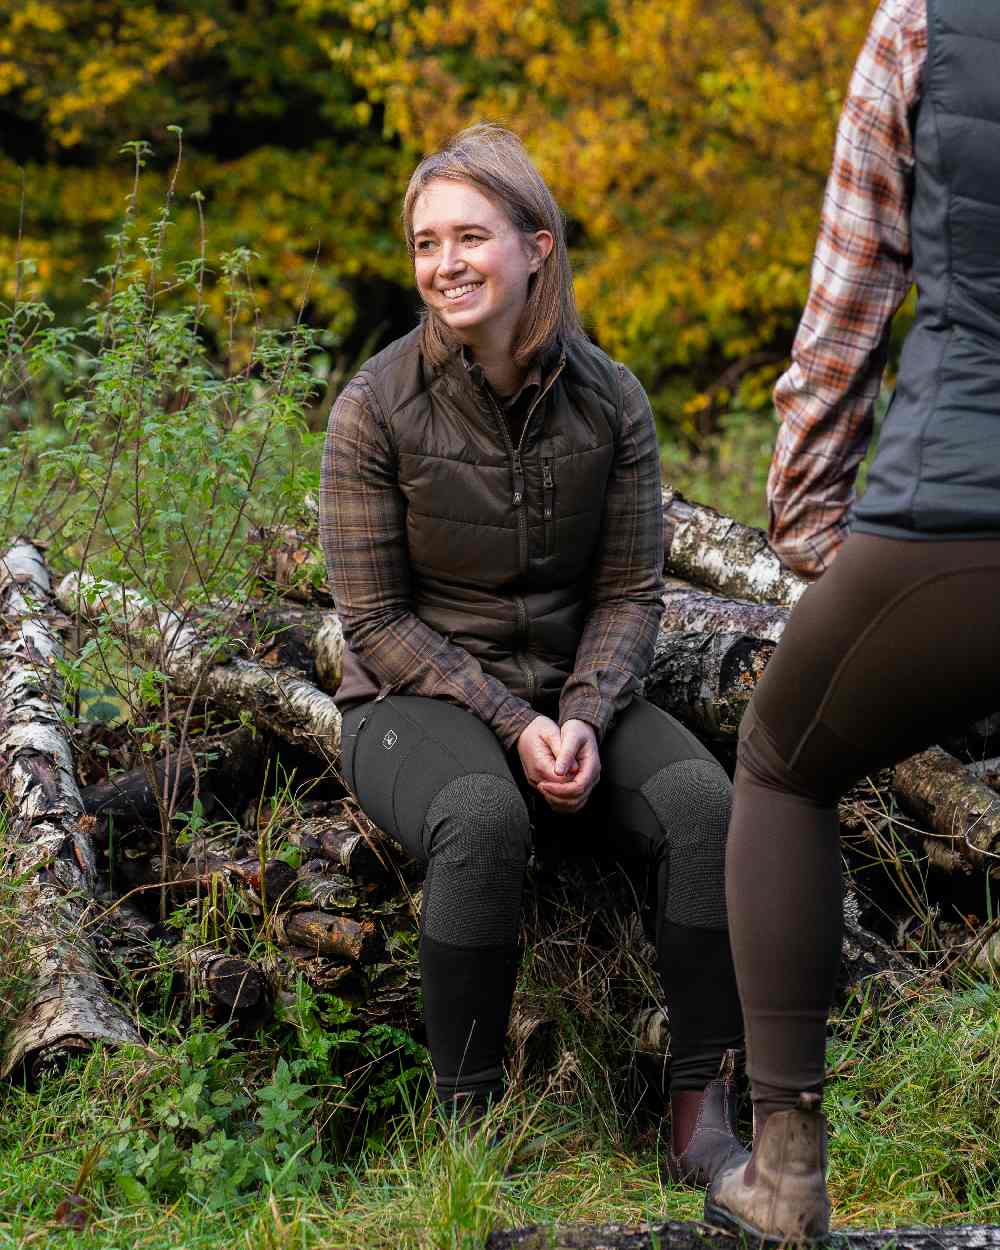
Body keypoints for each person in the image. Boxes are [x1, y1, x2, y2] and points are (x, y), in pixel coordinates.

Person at [319, 123, 746, 1184]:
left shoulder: (611, 399)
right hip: (407, 701)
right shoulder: (374, 407)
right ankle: (469, 1136)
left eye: (469, 236)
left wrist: (586, 717)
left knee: (702, 804)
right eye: (425, 243)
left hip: (569, 694)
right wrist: (518, 728)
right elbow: (374, 621)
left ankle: (704, 1111)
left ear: (536, 246)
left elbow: (626, 591)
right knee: (481, 813)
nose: (443, 264)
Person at [704, 0, 1000, 1241]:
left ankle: (783, 1175)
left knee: (780, 760)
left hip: (962, 507)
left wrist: (813, 529)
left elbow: (846, 307)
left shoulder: (924, 25)